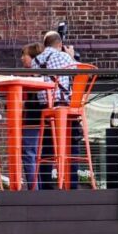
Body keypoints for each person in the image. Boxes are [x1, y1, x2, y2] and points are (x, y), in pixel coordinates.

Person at [33, 30, 76, 189]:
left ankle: (45, 185)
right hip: (62, 108)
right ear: (60, 45)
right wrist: (71, 55)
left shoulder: (35, 60)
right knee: (69, 146)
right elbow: (78, 73)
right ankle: (69, 184)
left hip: (44, 110)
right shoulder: (64, 57)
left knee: (47, 147)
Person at [20, 43, 43, 190]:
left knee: (29, 152)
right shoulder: (37, 75)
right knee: (32, 153)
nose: (22, 58)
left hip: (32, 116)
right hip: (35, 115)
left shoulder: (35, 76)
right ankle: (36, 188)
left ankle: (33, 190)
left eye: (24, 55)